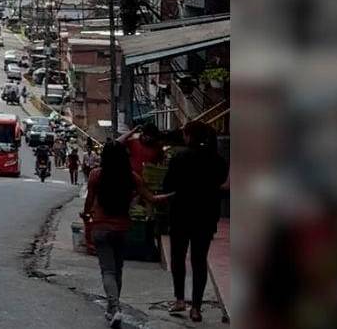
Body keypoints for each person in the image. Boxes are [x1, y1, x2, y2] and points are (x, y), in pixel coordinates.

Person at [81, 142, 169, 328]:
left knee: (107, 270)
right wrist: (173, 195)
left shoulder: (96, 175)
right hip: (121, 229)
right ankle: (113, 308)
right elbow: (152, 199)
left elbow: (88, 203)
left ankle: (114, 307)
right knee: (117, 269)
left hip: (100, 228)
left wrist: (86, 214)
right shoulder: (132, 177)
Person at [161, 122, 228, 322]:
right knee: (199, 261)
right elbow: (220, 182)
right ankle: (196, 308)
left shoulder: (179, 158)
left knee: (178, 258)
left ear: (189, 136)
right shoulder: (217, 160)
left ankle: (180, 299)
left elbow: (167, 184)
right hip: (205, 217)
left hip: (181, 215)